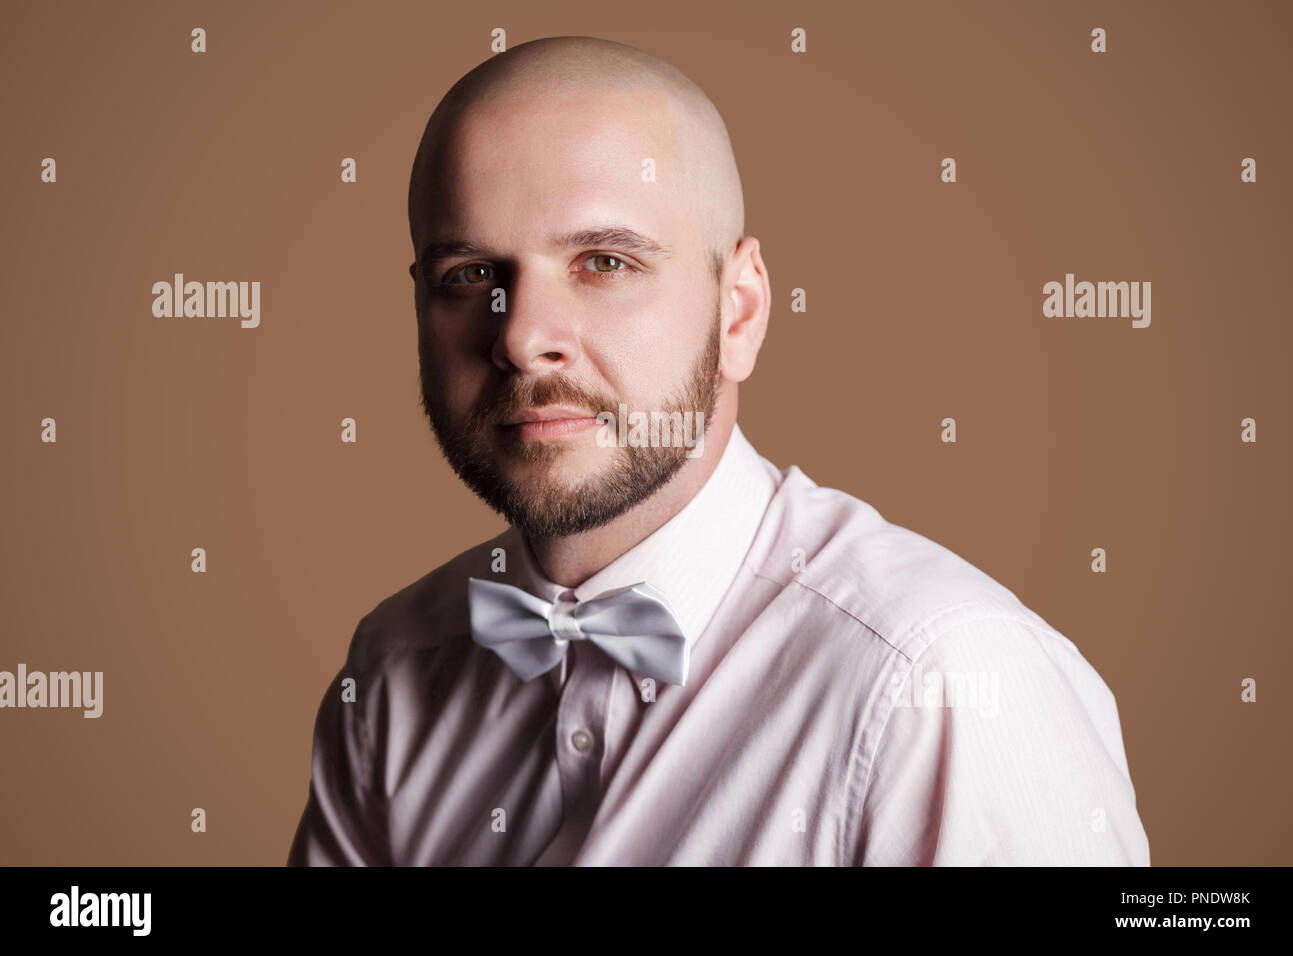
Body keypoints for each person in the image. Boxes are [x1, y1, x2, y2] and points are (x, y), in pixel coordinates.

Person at [287, 35, 1150, 866]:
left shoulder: (943, 684)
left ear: (740, 311)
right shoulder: (392, 670)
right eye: (472, 276)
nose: (521, 338)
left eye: (604, 262)